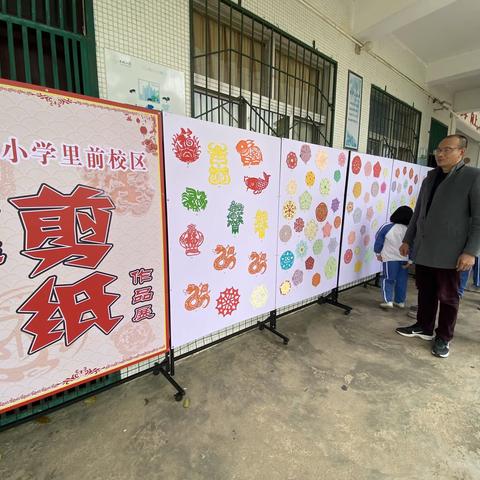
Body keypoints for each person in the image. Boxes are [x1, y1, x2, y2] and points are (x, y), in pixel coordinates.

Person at [396, 134, 480, 358]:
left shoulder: (473, 176)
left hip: (451, 252)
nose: (440, 154)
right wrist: (408, 239)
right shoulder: (430, 177)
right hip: (424, 248)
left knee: (449, 297)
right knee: (425, 291)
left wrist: (471, 251)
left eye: (447, 150)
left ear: (461, 153)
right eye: (439, 149)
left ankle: (444, 337)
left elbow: (479, 218)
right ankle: (424, 327)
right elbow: (419, 212)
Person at [374, 206, 413, 309]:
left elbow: (378, 239)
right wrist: (411, 260)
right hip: (404, 259)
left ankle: (388, 301)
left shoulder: (387, 226)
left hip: (390, 258)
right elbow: (413, 245)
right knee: (402, 280)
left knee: (388, 279)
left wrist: (377, 253)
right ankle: (400, 302)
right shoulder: (410, 230)